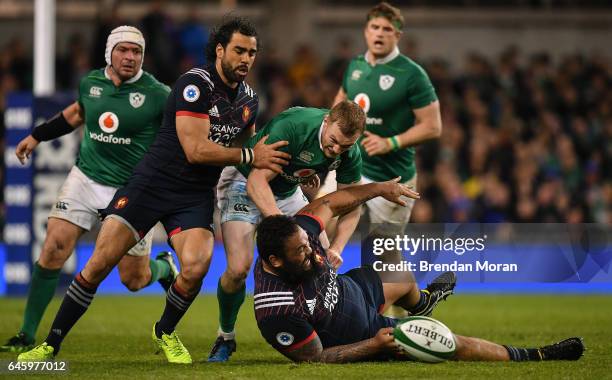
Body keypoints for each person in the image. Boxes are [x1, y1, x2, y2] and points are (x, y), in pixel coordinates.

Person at [17, 17, 289, 364]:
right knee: (100, 264)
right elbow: (196, 149)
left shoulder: (249, 99)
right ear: (220, 50)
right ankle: (50, 345)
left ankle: (164, 331)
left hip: (194, 195)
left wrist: (284, 173)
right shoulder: (195, 84)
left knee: (197, 265)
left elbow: (244, 150)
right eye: (239, 50)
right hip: (151, 184)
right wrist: (251, 153)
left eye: (252, 52)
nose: (246, 58)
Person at [253, 180, 585, 363]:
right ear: (275, 261)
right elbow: (317, 359)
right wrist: (373, 346)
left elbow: (332, 203)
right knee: (448, 343)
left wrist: (379, 188)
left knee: (388, 250)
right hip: (363, 329)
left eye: (308, 245)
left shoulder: (297, 234)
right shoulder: (277, 310)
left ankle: (420, 302)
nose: (312, 252)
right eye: (301, 253)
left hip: (352, 289)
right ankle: (535, 356)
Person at [1, 26, 177, 353]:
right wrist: (37, 135)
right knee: (54, 246)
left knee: (133, 279)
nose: (130, 57)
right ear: (110, 52)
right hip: (86, 177)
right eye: (123, 50)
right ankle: (26, 334)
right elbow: (76, 114)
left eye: (136, 51)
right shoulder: (91, 83)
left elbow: (180, 136)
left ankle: (164, 267)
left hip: (132, 190)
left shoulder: (158, 94)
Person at [210, 100, 366, 362]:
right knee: (238, 269)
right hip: (244, 181)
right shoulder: (294, 126)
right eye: (334, 141)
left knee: (323, 260)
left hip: (286, 190)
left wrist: (337, 247)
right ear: (326, 121)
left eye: (346, 146)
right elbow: (257, 182)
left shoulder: (349, 152)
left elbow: (352, 204)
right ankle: (225, 336)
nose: (337, 150)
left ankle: (320, 331)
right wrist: (286, 229)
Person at [332, 1, 443, 318]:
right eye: (374, 27)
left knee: (380, 254)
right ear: (365, 31)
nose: (379, 34)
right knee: (321, 222)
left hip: (393, 177)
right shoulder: (354, 66)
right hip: (354, 169)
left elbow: (433, 126)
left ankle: (403, 314)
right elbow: (337, 108)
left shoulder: (412, 74)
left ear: (398, 35)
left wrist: (391, 141)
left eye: (386, 29)